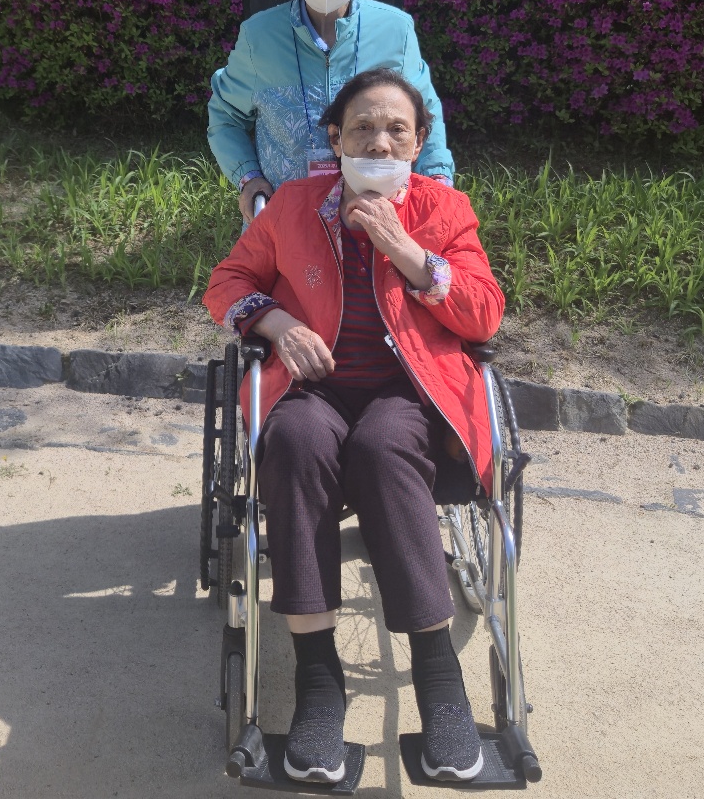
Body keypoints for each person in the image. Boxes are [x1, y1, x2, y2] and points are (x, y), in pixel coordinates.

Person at [203, 67, 504, 785]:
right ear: (335, 140)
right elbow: (228, 283)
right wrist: (277, 323)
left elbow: (485, 313)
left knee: (382, 448)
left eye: (397, 129)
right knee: (294, 441)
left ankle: (440, 681)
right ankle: (318, 681)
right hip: (312, 388)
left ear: (419, 142)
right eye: (363, 127)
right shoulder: (295, 206)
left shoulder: (443, 209)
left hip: (408, 394)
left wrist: (406, 251)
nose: (380, 141)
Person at [208, 0, 455, 220]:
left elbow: (427, 115)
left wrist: (438, 182)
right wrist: (248, 178)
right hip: (286, 222)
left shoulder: (396, 30)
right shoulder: (259, 37)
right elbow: (225, 117)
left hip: (378, 218)